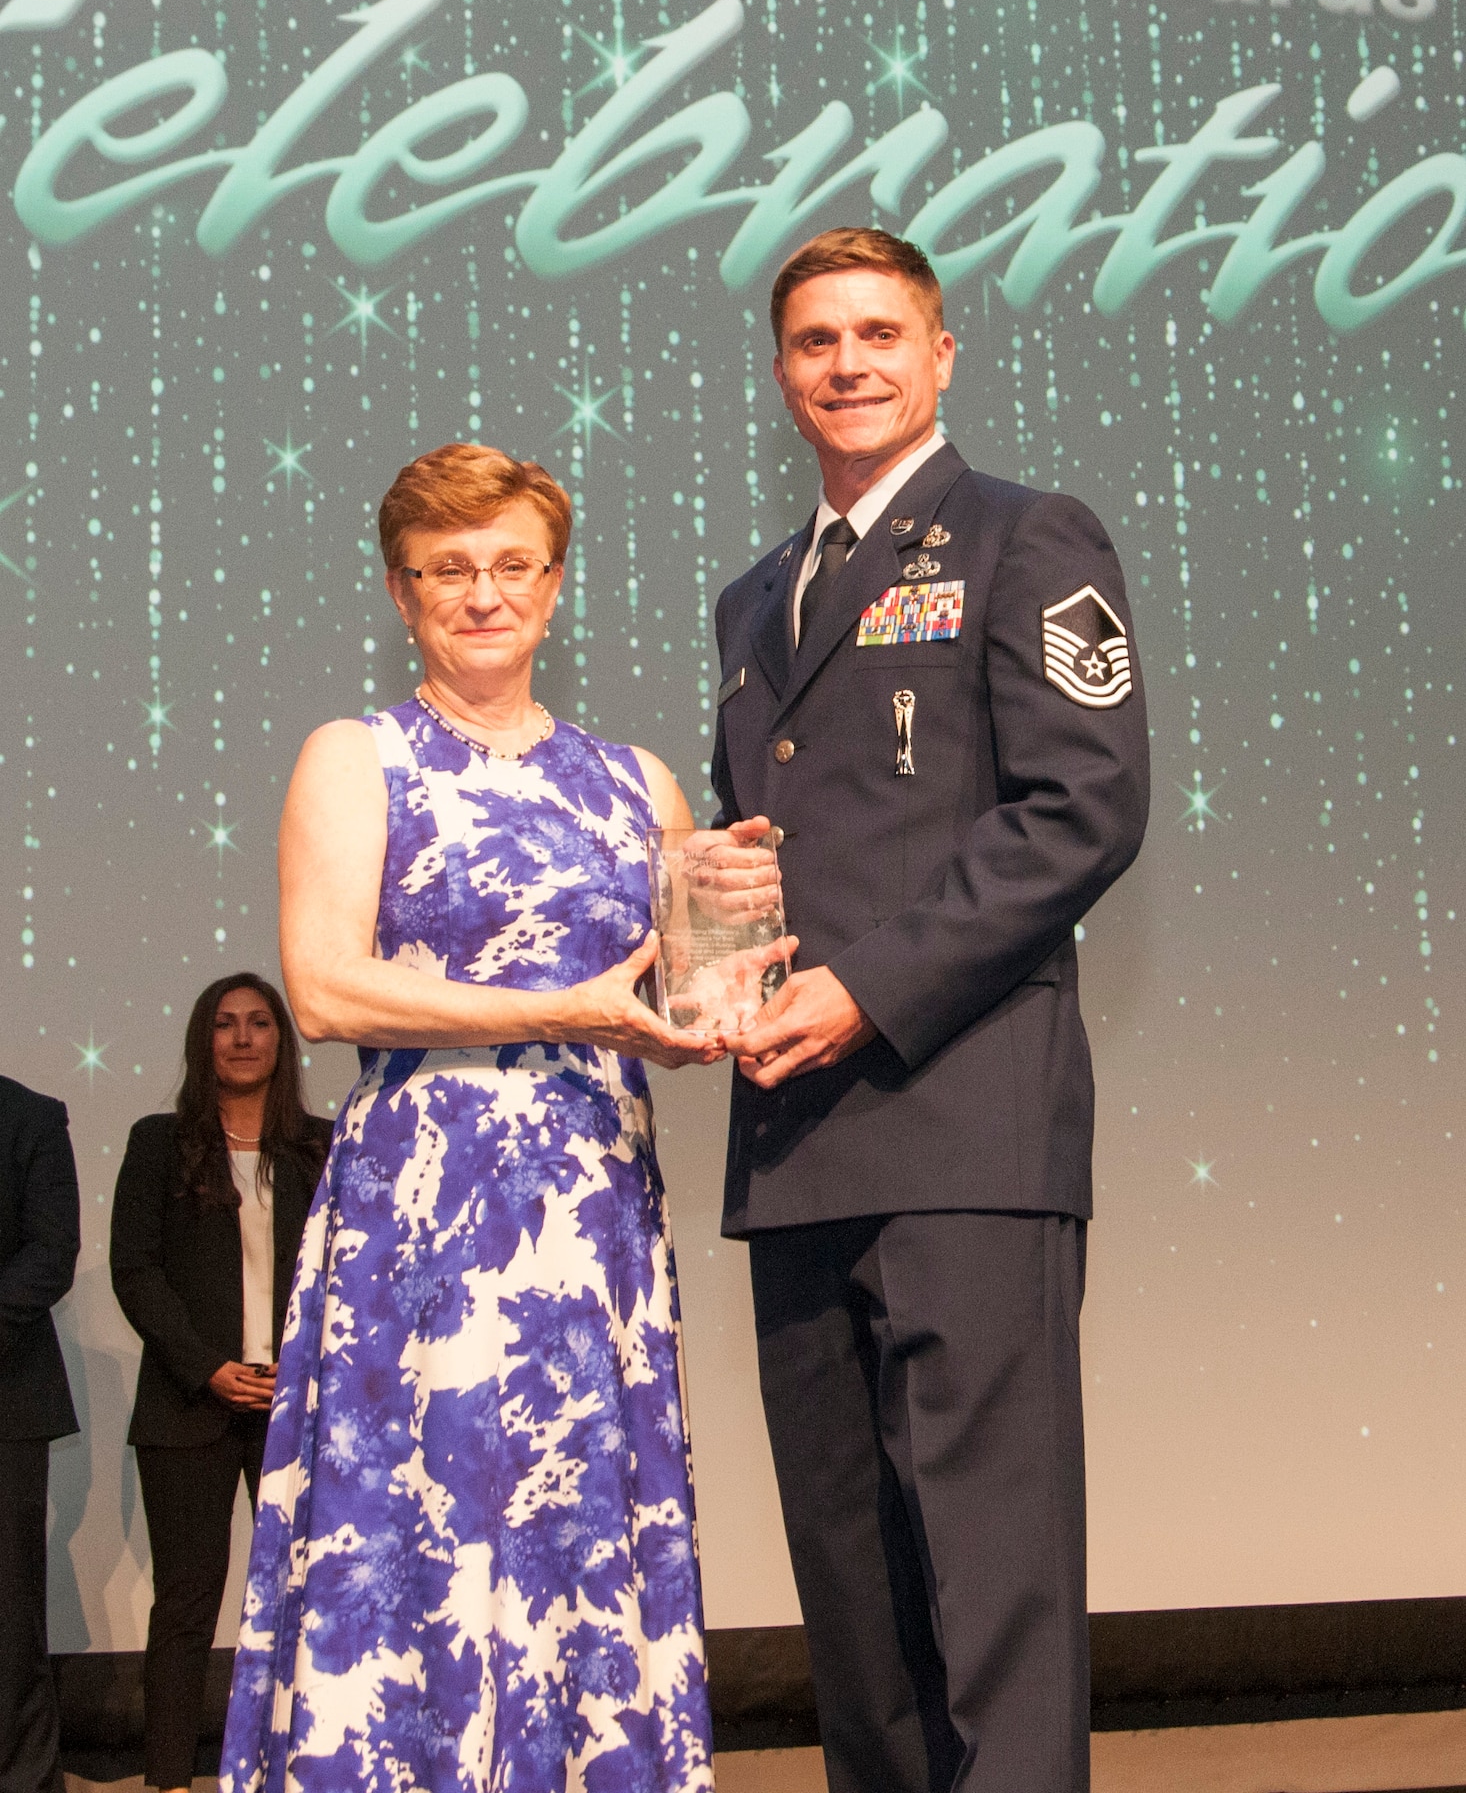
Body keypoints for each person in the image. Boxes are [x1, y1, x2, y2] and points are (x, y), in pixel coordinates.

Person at [709, 228, 1151, 1793]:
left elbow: (1080, 810)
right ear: (780, 374)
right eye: (817, 341)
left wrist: (863, 991)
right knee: (855, 1604)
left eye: (880, 334)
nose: (849, 365)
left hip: (966, 1130)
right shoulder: (753, 597)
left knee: (990, 1588)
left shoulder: (1029, 539)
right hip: (798, 1145)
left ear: (942, 352)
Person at [220, 443, 731, 1793]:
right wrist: (564, 1005)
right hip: (426, 1205)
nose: (482, 593)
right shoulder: (355, 755)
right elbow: (322, 992)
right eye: (448, 570)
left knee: (577, 1518)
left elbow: (681, 1002)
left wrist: (723, 998)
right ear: (402, 594)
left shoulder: (643, 783)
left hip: (593, 1215)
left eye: (511, 565)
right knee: (420, 1525)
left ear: (555, 588)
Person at [110, 975, 329, 1793]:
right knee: (186, 1607)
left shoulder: (322, 1146)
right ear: (203, 1041)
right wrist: (208, 1369)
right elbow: (136, 1271)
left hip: (296, 1408)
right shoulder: (158, 1142)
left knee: (308, 1603)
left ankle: (307, 1769)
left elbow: (352, 1276)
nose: (242, 1038)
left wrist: (302, 1373)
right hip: (188, 1407)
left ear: (283, 1039)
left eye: (260, 1023)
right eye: (225, 1024)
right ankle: (169, 1779)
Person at [0, 1075, 80, 1793]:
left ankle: (23, 1779)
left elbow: (52, 1253)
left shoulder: (29, 1117)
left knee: (8, 1617)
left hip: (6, 1403)